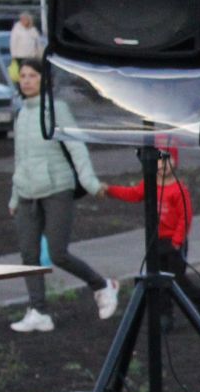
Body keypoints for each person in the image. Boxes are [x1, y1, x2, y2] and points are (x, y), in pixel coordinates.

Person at [7, 64, 118, 333]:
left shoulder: (57, 109)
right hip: (27, 192)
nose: (27, 81)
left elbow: (76, 147)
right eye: (23, 76)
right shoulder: (21, 114)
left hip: (57, 189)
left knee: (58, 253)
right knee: (29, 255)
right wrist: (13, 197)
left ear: (44, 80)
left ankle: (102, 285)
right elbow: (20, 159)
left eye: (33, 76)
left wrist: (90, 183)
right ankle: (38, 311)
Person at [104, 147, 200, 331]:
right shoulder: (150, 184)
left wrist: (177, 241)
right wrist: (110, 191)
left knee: (177, 278)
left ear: (174, 162)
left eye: (165, 160)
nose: (161, 166)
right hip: (156, 240)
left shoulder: (178, 190)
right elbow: (133, 194)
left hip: (174, 242)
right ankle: (165, 316)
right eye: (158, 161)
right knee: (158, 278)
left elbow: (185, 217)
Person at [9, 12, 44, 77]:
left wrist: (40, 54)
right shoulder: (17, 29)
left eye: (25, 19)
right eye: (22, 19)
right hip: (20, 56)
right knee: (22, 73)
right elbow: (13, 42)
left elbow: (38, 43)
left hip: (32, 56)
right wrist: (13, 54)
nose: (24, 21)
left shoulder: (33, 30)